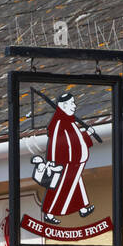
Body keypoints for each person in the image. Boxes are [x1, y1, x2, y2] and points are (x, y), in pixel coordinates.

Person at [40, 92, 96, 224]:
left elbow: (75, 140)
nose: (75, 106)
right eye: (72, 103)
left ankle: (82, 209)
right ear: (64, 106)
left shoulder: (69, 121)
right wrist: (53, 162)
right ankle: (48, 213)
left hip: (74, 162)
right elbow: (55, 144)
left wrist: (87, 134)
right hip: (65, 162)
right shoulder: (59, 122)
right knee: (59, 188)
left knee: (76, 183)